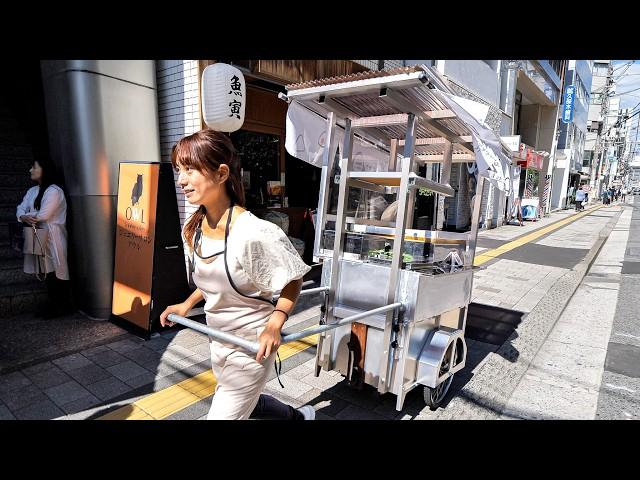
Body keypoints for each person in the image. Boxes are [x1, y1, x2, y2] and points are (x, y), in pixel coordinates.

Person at [160, 129, 315, 420]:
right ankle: (299, 417)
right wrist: (187, 304)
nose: (181, 180)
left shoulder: (254, 233)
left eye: (190, 170)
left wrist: (275, 324)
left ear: (221, 174)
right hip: (219, 341)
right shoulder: (194, 229)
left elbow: (294, 279)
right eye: (179, 170)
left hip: (252, 346)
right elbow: (213, 279)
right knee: (247, 401)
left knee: (228, 409)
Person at [16, 159, 73, 318]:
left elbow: (44, 215)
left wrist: (24, 217)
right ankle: (54, 305)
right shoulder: (33, 191)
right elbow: (20, 208)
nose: (30, 170)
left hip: (53, 236)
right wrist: (22, 216)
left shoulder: (54, 191)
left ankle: (61, 305)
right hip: (38, 235)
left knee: (57, 269)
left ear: (44, 170)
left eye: (34, 167)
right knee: (44, 269)